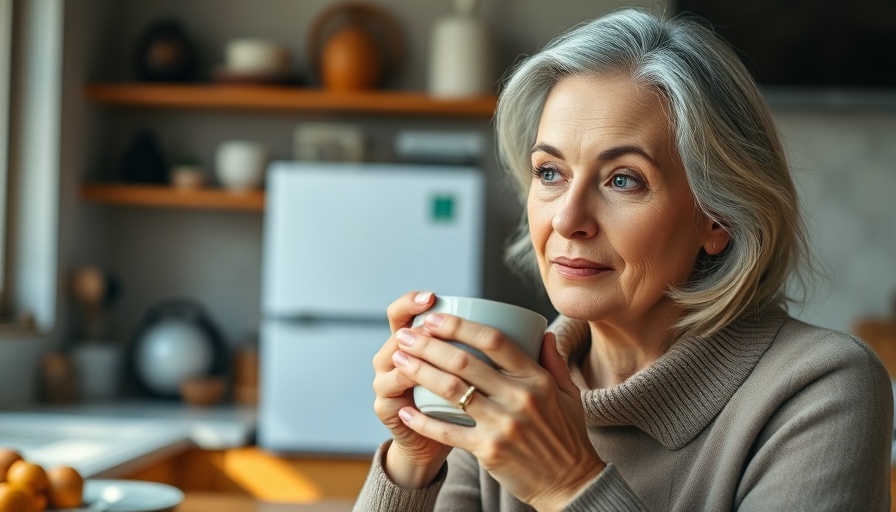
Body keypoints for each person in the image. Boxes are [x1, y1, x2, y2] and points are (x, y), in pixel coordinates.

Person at [353, 7, 893, 511]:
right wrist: (413, 465)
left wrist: (565, 483)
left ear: (718, 218)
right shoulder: (508, 379)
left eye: (623, 180)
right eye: (549, 173)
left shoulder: (823, 390)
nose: (567, 219)